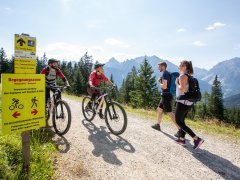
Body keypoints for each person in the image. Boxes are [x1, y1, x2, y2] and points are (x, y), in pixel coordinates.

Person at [175, 60, 204, 149]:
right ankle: (182, 139)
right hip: (188, 102)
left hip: (182, 102)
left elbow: (183, 90)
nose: (178, 65)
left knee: (178, 121)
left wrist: (177, 83)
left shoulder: (182, 76)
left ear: (184, 66)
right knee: (182, 121)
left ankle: (196, 139)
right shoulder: (190, 76)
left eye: (180, 64)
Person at [151, 62, 180, 135]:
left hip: (166, 95)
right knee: (160, 109)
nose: (158, 68)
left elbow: (164, 86)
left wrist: (159, 82)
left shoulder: (165, 74)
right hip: (166, 94)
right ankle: (157, 125)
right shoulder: (167, 73)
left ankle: (180, 130)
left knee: (169, 112)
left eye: (159, 66)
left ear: (163, 66)